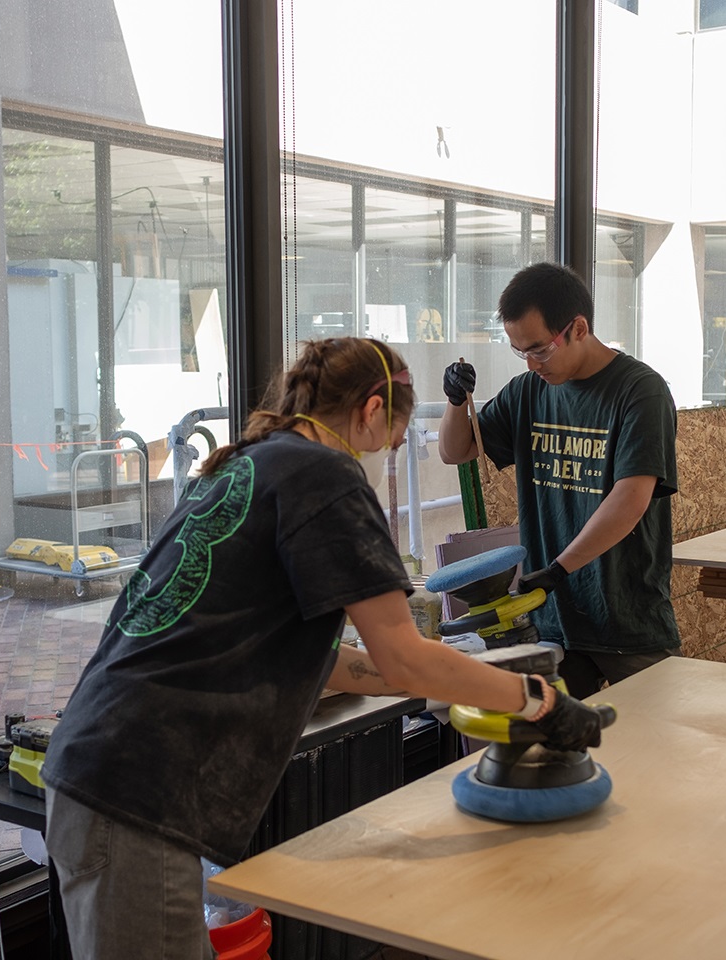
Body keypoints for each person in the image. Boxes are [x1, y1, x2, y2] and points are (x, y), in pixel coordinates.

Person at [40, 336, 609, 960]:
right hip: (136, 792)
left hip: (102, 770)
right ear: (371, 410)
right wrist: (537, 702)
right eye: (395, 435)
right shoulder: (325, 476)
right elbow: (405, 654)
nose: (392, 452)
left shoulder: (249, 464)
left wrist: (453, 679)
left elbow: (331, 659)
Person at [438, 262, 679, 700]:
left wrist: (557, 569)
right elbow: (456, 452)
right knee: (559, 739)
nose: (532, 364)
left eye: (540, 350)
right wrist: (456, 401)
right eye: (520, 352)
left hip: (626, 616)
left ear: (578, 328)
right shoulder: (527, 391)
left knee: (654, 736)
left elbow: (630, 499)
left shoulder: (640, 391)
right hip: (553, 620)